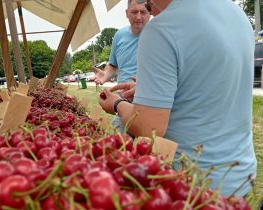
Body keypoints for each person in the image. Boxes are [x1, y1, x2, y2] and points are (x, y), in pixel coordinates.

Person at [99, 0, 257, 197]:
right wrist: (153, 91)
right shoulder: (237, 14)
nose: (150, 11)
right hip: (241, 175)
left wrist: (115, 103)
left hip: (192, 182)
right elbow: (209, 81)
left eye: (148, 6)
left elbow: (149, 125)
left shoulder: (162, 28)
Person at [92, 0, 150, 133]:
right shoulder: (119, 35)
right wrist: (106, 74)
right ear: (126, 13)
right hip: (123, 99)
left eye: (143, 12)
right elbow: (113, 65)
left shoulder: (159, 34)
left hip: (149, 99)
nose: (139, 17)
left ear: (150, 13)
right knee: (117, 145)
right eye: (134, 12)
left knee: (150, 146)